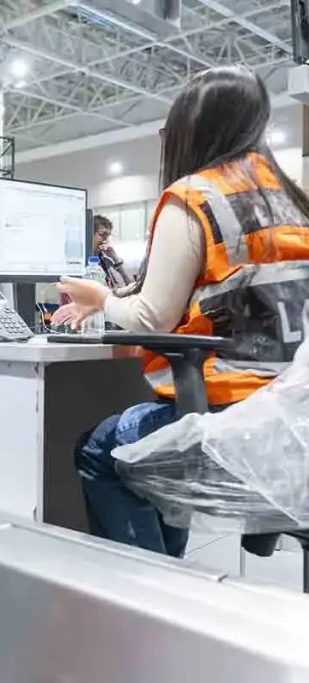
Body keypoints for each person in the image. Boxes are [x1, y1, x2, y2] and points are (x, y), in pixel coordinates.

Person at [51, 65, 309, 558]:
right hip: (290, 417)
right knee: (145, 456)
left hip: (232, 413)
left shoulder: (194, 196)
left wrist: (102, 299)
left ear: (189, 127)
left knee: (99, 451)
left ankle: (151, 587)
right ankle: (170, 574)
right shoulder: (290, 199)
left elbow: (152, 320)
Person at [92, 214, 133, 288]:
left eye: (108, 235)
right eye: (102, 234)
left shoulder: (108, 261)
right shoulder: (83, 264)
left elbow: (131, 285)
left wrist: (116, 258)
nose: (106, 239)